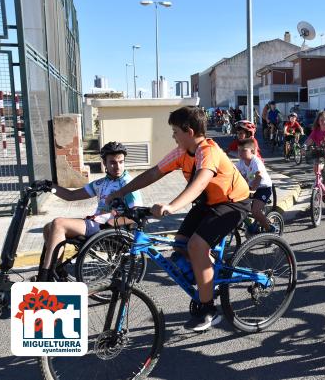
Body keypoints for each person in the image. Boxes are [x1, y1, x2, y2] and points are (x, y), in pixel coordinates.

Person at [107, 106, 250, 331]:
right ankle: (208, 270)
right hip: (208, 203)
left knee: (196, 245)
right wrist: (120, 192)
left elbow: (201, 181)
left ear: (189, 132)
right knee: (181, 243)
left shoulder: (208, 151)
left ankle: (209, 309)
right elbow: (154, 173)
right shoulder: (182, 151)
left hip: (232, 203)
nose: (173, 136)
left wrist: (172, 206)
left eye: (175, 131)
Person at [37, 142, 142, 281]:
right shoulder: (100, 183)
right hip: (96, 223)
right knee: (48, 228)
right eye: (112, 162)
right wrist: (50, 186)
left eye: (121, 162)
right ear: (104, 163)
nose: (117, 167)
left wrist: (112, 222)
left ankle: (45, 276)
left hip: (110, 229)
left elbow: (137, 214)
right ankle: (57, 270)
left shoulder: (127, 184)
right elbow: (71, 196)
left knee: (58, 223)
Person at [235, 138, 277, 233]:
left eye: (243, 150)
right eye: (238, 150)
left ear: (252, 151)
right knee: (236, 205)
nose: (240, 153)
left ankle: (270, 229)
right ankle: (250, 225)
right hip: (250, 188)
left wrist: (253, 190)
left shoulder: (256, 162)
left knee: (255, 211)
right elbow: (233, 172)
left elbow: (258, 176)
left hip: (263, 188)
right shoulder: (241, 162)